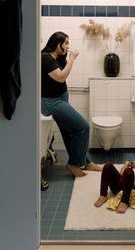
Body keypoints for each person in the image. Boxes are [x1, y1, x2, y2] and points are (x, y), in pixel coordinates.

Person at [41, 31, 102, 177]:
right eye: (66, 43)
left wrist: (66, 57)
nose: (68, 46)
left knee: (71, 132)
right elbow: (61, 77)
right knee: (82, 127)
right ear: (57, 43)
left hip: (60, 99)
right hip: (52, 102)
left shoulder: (55, 57)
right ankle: (73, 164)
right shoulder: (45, 58)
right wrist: (72, 59)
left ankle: (86, 163)